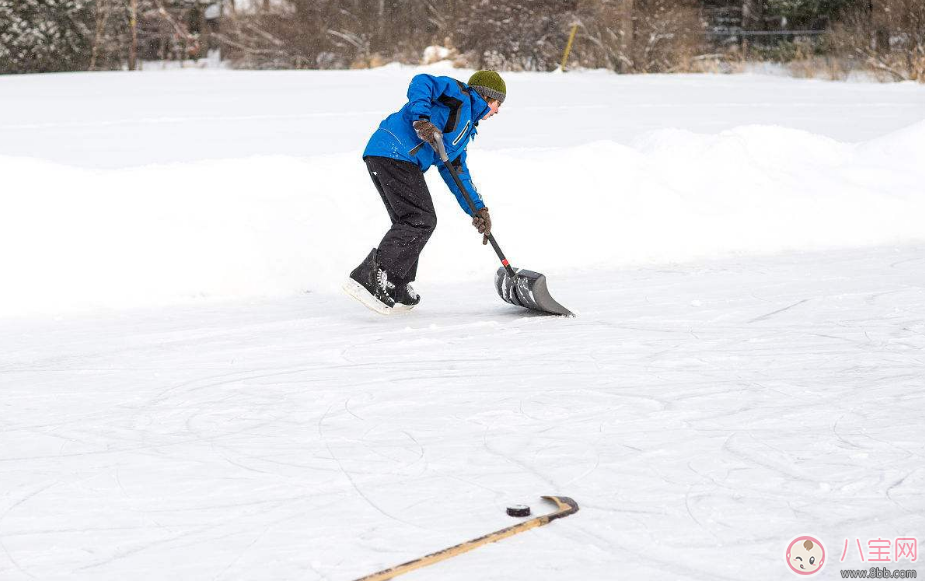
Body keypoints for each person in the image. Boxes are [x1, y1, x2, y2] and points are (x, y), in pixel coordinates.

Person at [344, 70, 506, 314]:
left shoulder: (463, 131)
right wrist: (421, 119)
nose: (497, 111)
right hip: (393, 151)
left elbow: (456, 172)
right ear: (486, 97)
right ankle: (372, 276)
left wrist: (478, 209)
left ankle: (396, 284)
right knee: (420, 219)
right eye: (497, 104)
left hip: (395, 157)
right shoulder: (459, 95)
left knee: (410, 220)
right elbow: (422, 81)